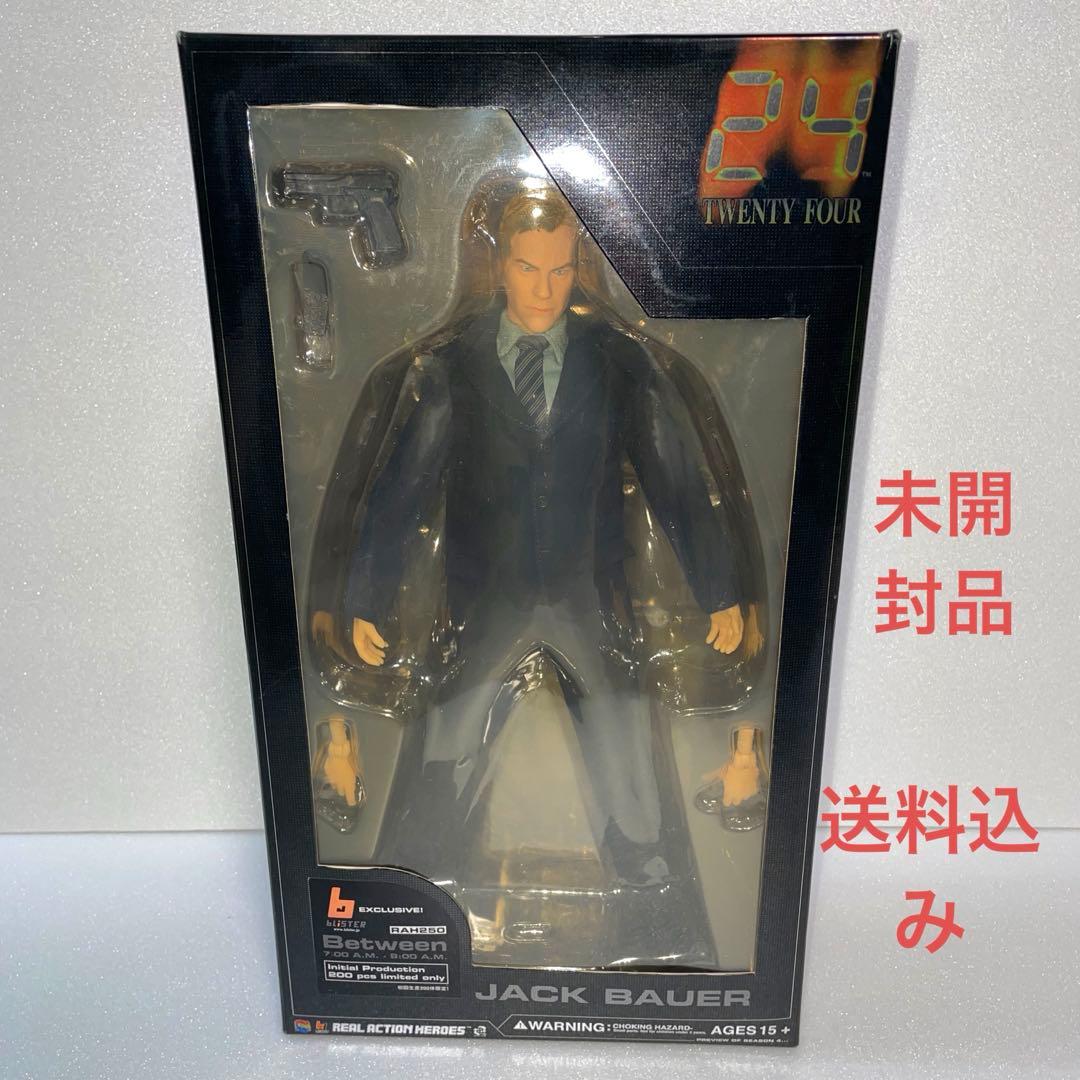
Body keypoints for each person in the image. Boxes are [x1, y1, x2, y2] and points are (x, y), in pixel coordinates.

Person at [345, 186, 752, 894]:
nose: (544, 288)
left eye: (560, 269)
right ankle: (427, 861)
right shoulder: (452, 366)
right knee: (453, 723)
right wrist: (365, 599)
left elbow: (676, 479)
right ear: (499, 266)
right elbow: (401, 488)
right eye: (528, 268)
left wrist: (719, 588)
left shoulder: (619, 362)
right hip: (487, 591)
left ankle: (642, 858)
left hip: (587, 589)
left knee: (620, 726)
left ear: (578, 268)